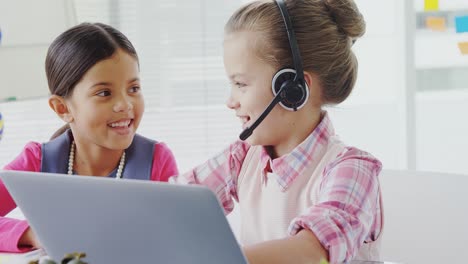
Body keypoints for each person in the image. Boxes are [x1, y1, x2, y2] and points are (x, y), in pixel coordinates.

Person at [170, 0, 383, 263]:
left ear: (293, 89)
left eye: (240, 84)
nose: (231, 101)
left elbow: (311, 254)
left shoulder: (353, 170)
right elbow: (172, 205)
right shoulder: (242, 158)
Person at [0, 23, 179, 252]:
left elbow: (174, 240)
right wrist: (32, 233)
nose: (125, 104)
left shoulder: (157, 161)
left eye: (133, 88)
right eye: (104, 93)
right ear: (62, 107)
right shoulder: (36, 161)